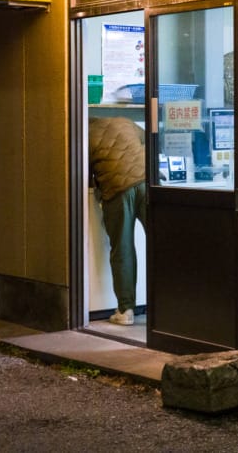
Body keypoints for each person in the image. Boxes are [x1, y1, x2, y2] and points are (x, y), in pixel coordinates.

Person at [87, 116, 147, 326]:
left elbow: (81, 172)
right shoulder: (124, 121)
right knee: (161, 245)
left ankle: (126, 310)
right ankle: (168, 307)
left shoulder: (83, 132)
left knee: (123, 250)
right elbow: (149, 139)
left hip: (117, 190)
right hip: (147, 182)